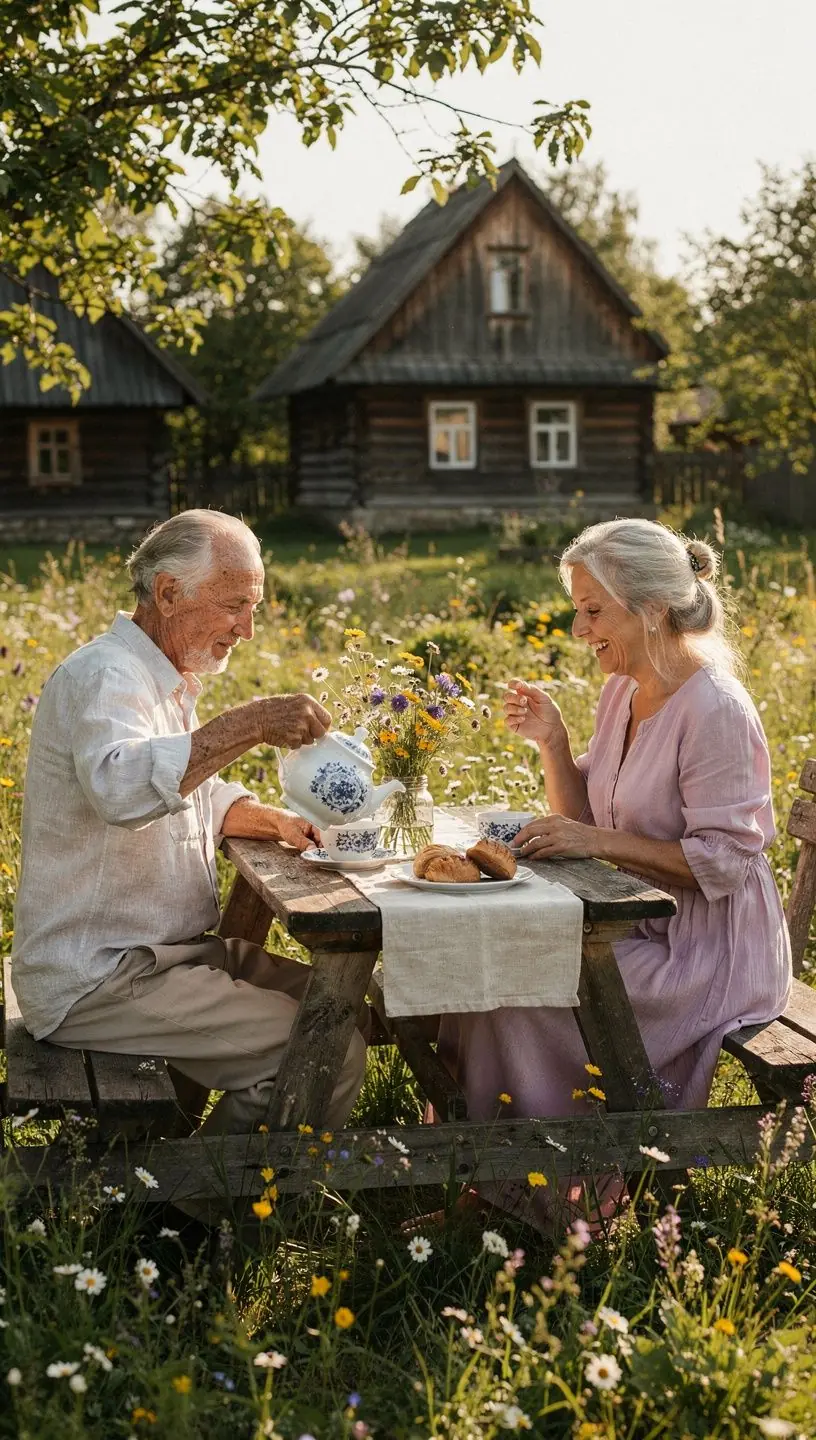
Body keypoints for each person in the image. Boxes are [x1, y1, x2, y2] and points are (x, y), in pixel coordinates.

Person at [436, 517, 791, 1220]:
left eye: (593, 610)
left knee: (517, 994)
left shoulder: (715, 709)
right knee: (477, 972)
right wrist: (553, 743)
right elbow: (590, 826)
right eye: (578, 608)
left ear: (652, 608)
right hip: (636, 922)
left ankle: (548, 1206)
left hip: (706, 949)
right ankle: (494, 1187)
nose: (578, 628)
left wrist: (593, 844)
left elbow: (719, 863)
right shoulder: (622, 692)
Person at [11, 509, 366, 1134]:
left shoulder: (160, 677)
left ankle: (184, 1183)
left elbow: (183, 785)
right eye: (235, 605)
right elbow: (123, 788)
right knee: (326, 1049)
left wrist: (261, 818)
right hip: (99, 976)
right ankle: (197, 1215)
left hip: (166, 956)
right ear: (169, 593)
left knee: (340, 1011)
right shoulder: (103, 676)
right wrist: (251, 722)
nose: (248, 629)